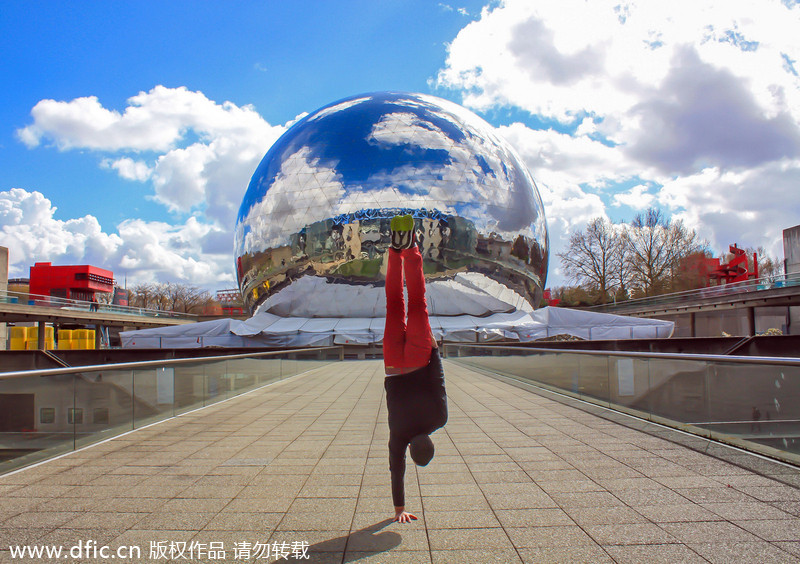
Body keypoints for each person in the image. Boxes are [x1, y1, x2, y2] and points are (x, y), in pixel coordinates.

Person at [383, 214, 448, 524]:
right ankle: (394, 253)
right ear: (410, 449)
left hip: (421, 357)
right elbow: (397, 470)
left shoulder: (439, 418)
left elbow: (438, 382)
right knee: (394, 302)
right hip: (394, 364)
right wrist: (399, 510)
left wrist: (435, 350)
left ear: (431, 442)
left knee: (417, 302)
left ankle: (409, 249)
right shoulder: (399, 436)